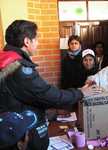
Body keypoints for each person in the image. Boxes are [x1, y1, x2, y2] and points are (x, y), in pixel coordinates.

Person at [0, 20, 101, 150]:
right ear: (27, 41)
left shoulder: (6, 59)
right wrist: (81, 93)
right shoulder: (18, 68)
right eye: (35, 39)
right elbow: (46, 94)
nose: (37, 43)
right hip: (19, 136)